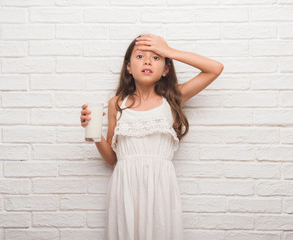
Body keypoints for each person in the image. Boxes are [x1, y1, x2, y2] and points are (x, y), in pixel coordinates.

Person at [80, 34, 223, 240]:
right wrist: (92, 132)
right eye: (140, 57)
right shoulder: (116, 103)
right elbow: (113, 159)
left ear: (166, 69)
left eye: (156, 57)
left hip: (161, 187)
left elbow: (215, 68)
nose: (147, 61)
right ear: (128, 67)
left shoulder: (173, 99)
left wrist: (169, 51)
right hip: (125, 187)